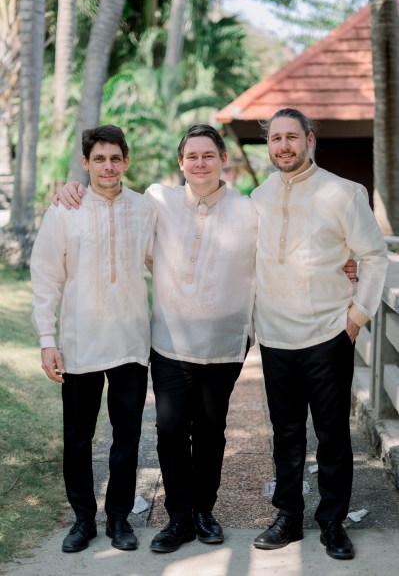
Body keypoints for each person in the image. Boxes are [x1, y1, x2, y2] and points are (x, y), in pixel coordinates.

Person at [55, 123, 358, 554]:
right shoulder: (158, 201)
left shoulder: (250, 208)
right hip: (169, 343)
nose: (200, 163)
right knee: (171, 430)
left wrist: (347, 266)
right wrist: (72, 189)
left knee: (212, 432)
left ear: (223, 161)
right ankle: (178, 518)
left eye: (207, 155)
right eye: (191, 156)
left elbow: (288, 253)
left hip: (225, 344)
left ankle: (204, 512)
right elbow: (113, 200)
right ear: (181, 163)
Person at [251, 108, 388, 561]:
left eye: (292, 137)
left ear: (310, 139)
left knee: (331, 434)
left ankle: (332, 522)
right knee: (285, 434)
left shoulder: (344, 192)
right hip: (275, 336)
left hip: (330, 333)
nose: (284, 146)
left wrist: (356, 319)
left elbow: (372, 256)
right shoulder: (258, 196)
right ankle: (288, 517)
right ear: (268, 145)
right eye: (276, 139)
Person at [30, 125, 154, 554]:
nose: (108, 166)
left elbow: (167, 263)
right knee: (78, 438)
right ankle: (83, 519)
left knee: (127, 436)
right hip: (80, 343)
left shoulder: (145, 209)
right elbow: (46, 277)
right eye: (99, 159)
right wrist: (48, 339)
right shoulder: (65, 210)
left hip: (131, 343)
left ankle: (119, 518)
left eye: (115, 158)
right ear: (86, 163)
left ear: (126, 161)